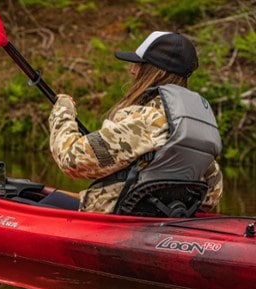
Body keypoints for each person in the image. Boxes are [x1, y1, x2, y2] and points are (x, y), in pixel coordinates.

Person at [49, 31, 223, 215]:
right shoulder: (192, 122)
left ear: (158, 72)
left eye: (139, 65)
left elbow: (71, 159)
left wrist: (63, 110)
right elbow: (212, 193)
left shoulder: (146, 121)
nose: (133, 70)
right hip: (163, 220)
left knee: (26, 198)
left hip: (113, 221)